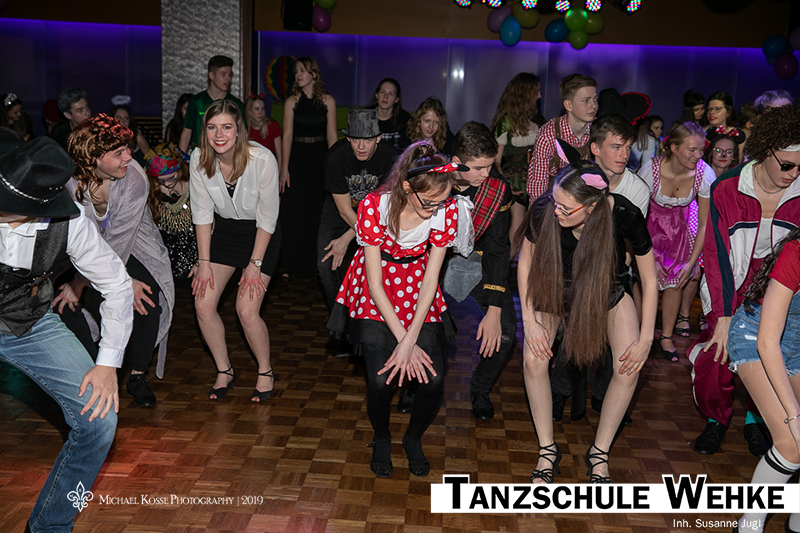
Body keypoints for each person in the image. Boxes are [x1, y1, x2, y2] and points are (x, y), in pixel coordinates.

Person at [0, 129, 133, 532]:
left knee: (99, 421)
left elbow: (117, 284)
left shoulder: (70, 222)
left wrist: (107, 363)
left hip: (28, 320)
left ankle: (50, 526)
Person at [518, 139, 657, 484]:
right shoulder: (547, 208)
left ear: (593, 206)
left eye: (567, 208)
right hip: (555, 288)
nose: (557, 211)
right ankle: (547, 450)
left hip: (607, 289)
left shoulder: (624, 213)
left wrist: (646, 340)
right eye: (556, 202)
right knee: (534, 359)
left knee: (628, 365)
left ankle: (599, 452)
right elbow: (525, 263)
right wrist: (529, 321)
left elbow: (650, 280)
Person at [326, 141, 464, 478]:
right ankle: (382, 437)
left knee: (433, 380)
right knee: (379, 380)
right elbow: (375, 284)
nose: (436, 208)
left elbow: (431, 279)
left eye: (442, 201)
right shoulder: (375, 206)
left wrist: (410, 339)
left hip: (417, 285)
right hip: (377, 286)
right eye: (428, 202)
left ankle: (412, 437)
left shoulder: (445, 210)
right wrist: (403, 342)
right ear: (406, 187)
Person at [688, 105, 800, 457]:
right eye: (787, 165)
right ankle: (716, 421)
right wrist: (722, 314)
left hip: (778, 282)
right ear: (765, 151)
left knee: (773, 352)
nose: (794, 174)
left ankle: (756, 419)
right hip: (731, 279)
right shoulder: (727, 187)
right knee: (717, 355)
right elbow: (716, 253)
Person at [57, 115, 175, 409]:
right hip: (84, 249)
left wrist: (123, 282)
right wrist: (78, 284)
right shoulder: (71, 182)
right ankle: (92, 366)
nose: (129, 157)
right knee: (66, 302)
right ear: (93, 158)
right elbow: (76, 237)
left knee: (147, 300)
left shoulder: (134, 178)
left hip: (135, 245)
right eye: (118, 152)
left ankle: (137, 375)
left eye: (127, 149)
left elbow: (120, 242)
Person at [550, 113, 650, 422]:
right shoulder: (573, 180)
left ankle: (605, 395)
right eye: (616, 147)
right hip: (570, 268)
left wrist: (613, 277)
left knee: (616, 335)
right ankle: (559, 391)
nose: (624, 155)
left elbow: (632, 245)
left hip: (613, 268)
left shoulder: (636, 190)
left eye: (628, 148)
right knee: (571, 331)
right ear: (595, 148)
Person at [189, 99, 281, 403]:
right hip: (226, 232)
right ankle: (224, 370)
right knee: (203, 304)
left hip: (262, 234)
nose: (219, 135)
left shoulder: (262, 159)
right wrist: (203, 262)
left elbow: (268, 217)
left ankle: (265, 371)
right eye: (212, 128)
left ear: (238, 129)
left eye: (226, 127)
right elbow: (202, 214)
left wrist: (255, 263)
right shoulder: (199, 158)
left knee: (246, 310)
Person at [728, 228, 800, 533]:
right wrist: (794, 415)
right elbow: (767, 342)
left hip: (796, 344)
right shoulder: (796, 252)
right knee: (792, 443)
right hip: (756, 335)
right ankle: (749, 526)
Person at [445, 121, 516, 421]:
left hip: (478, 259)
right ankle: (414, 387)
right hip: (433, 260)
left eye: (490, 165)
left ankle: (480, 389)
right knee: (425, 326)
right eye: (478, 168)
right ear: (456, 162)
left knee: (506, 331)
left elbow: (499, 249)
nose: (487, 174)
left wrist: (495, 310)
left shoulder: (497, 189)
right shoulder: (432, 181)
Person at [639, 122, 715, 362]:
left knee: (676, 282)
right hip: (646, 230)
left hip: (679, 232)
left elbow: (704, 224)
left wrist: (692, 262)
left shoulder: (704, 174)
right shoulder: (651, 170)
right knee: (644, 282)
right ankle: (642, 334)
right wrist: (647, 255)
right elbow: (636, 216)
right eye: (691, 150)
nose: (698, 155)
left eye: (701, 150)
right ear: (673, 148)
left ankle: (666, 336)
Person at [318, 109, 396, 321]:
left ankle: (377, 320)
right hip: (340, 209)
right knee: (325, 264)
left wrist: (347, 238)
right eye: (355, 140)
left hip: (378, 215)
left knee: (383, 261)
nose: (361, 147)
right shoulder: (335, 156)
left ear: (378, 138)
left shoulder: (391, 157)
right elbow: (344, 210)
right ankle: (342, 322)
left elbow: (383, 207)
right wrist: (352, 234)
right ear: (348, 138)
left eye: (368, 140)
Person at [279, 57, 337, 275]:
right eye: (296, 71)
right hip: (297, 158)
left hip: (320, 158)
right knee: (294, 212)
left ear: (313, 73)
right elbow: (286, 137)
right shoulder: (291, 101)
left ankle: (316, 263)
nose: (298, 75)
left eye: (302, 70)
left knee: (316, 210)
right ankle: (292, 263)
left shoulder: (328, 101)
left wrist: (335, 167)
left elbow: (332, 136)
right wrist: (284, 169)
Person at [490, 72, 541, 250]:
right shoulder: (505, 123)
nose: (539, 96)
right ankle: (505, 266)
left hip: (535, 181)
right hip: (515, 182)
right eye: (537, 91)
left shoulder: (539, 121)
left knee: (534, 233)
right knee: (517, 231)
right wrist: (505, 185)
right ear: (525, 93)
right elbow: (495, 161)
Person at [526, 73, 597, 201]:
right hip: (554, 198)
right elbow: (538, 184)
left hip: (588, 197)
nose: (594, 105)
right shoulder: (548, 134)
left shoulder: (598, 130)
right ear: (568, 105)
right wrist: (539, 210)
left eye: (595, 99)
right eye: (586, 101)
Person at [144, 143, 198, 279]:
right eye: (161, 180)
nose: (167, 184)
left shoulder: (195, 183)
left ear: (181, 168)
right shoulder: (151, 189)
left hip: (196, 257)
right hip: (164, 260)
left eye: (172, 177)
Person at [179, 55, 247, 153]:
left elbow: (243, 136)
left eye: (230, 74)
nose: (228, 78)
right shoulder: (196, 101)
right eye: (223, 74)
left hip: (227, 156)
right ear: (211, 75)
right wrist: (180, 160)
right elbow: (186, 133)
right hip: (200, 156)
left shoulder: (236, 104)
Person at [369, 78, 411, 151]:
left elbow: (406, 151)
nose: (385, 97)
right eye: (382, 92)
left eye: (391, 94)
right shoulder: (365, 116)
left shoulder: (404, 119)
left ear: (396, 99)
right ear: (376, 94)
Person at [110, 100, 151, 168]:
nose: (123, 121)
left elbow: (151, 158)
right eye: (119, 117)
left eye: (126, 118)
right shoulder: (107, 136)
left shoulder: (137, 136)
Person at [247, 93, 282, 167]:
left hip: (270, 165)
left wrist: (278, 172)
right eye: (257, 109)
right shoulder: (246, 128)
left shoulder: (273, 125)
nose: (261, 112)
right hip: (253, 166)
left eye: (263, 109)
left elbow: (279, 155)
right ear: (250, 111)